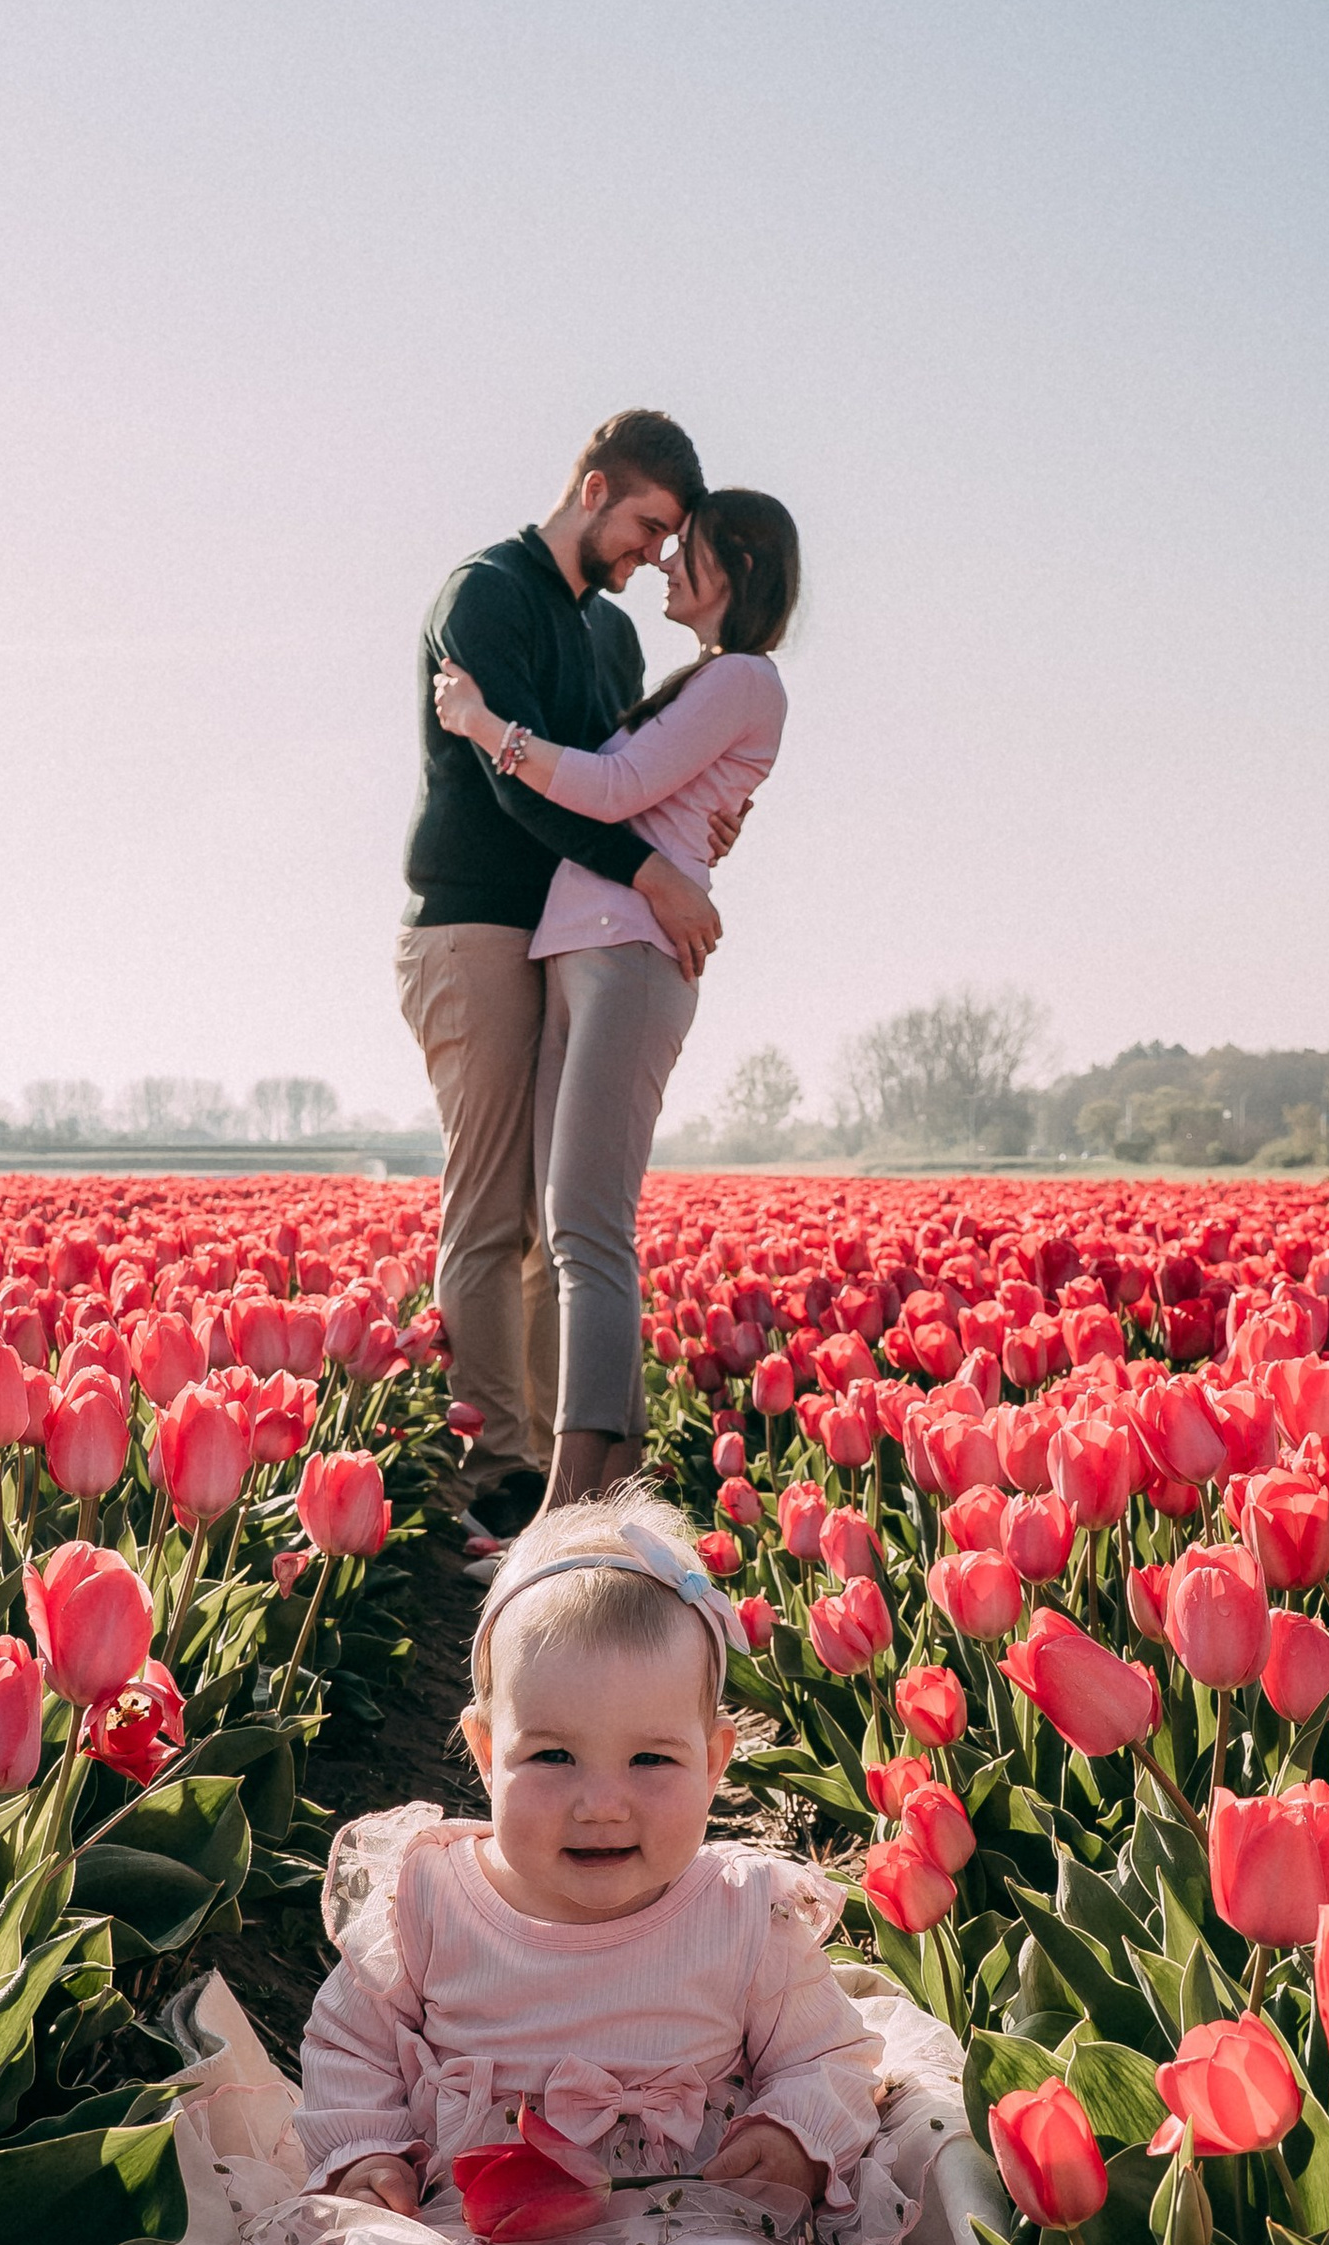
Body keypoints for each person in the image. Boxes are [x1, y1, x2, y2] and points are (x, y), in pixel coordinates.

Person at [237, 1489, 923, 2245]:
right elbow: (350, 2046)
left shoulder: (742, 1916)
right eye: (551, 1757)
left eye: (651, 1761)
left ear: (716, 1758)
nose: (600, 1802)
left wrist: (792, 2134)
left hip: (682, 2234)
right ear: (480, 1744)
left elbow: (828, 2055)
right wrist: (365, 2152)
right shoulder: (428, 1903)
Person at [400, 413, 738, 1541]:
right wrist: (653, 870)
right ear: (593, 488)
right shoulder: (485, 594)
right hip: (478, 924)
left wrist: (687, 838)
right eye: (646, 528)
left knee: (559, 1217)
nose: (653, 559)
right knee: (494, 1205)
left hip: (569, 927)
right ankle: (494, 1469)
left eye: (669, 542)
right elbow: (519, 789)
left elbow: (612, 782)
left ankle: (559, 1474)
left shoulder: (614, 645)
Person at [434, 491, 801, 1511]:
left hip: (633, 954)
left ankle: (566, 1506)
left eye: (691, 551)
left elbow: (609, 784)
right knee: (570, 1230)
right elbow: (640, 783)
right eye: (665, 543)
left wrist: (483, 727)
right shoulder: (707, 680)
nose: (669, 565)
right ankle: (615, 1483)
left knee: (586, 1233)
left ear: (740, 568)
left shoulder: (743, 679)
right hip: (582, 949)